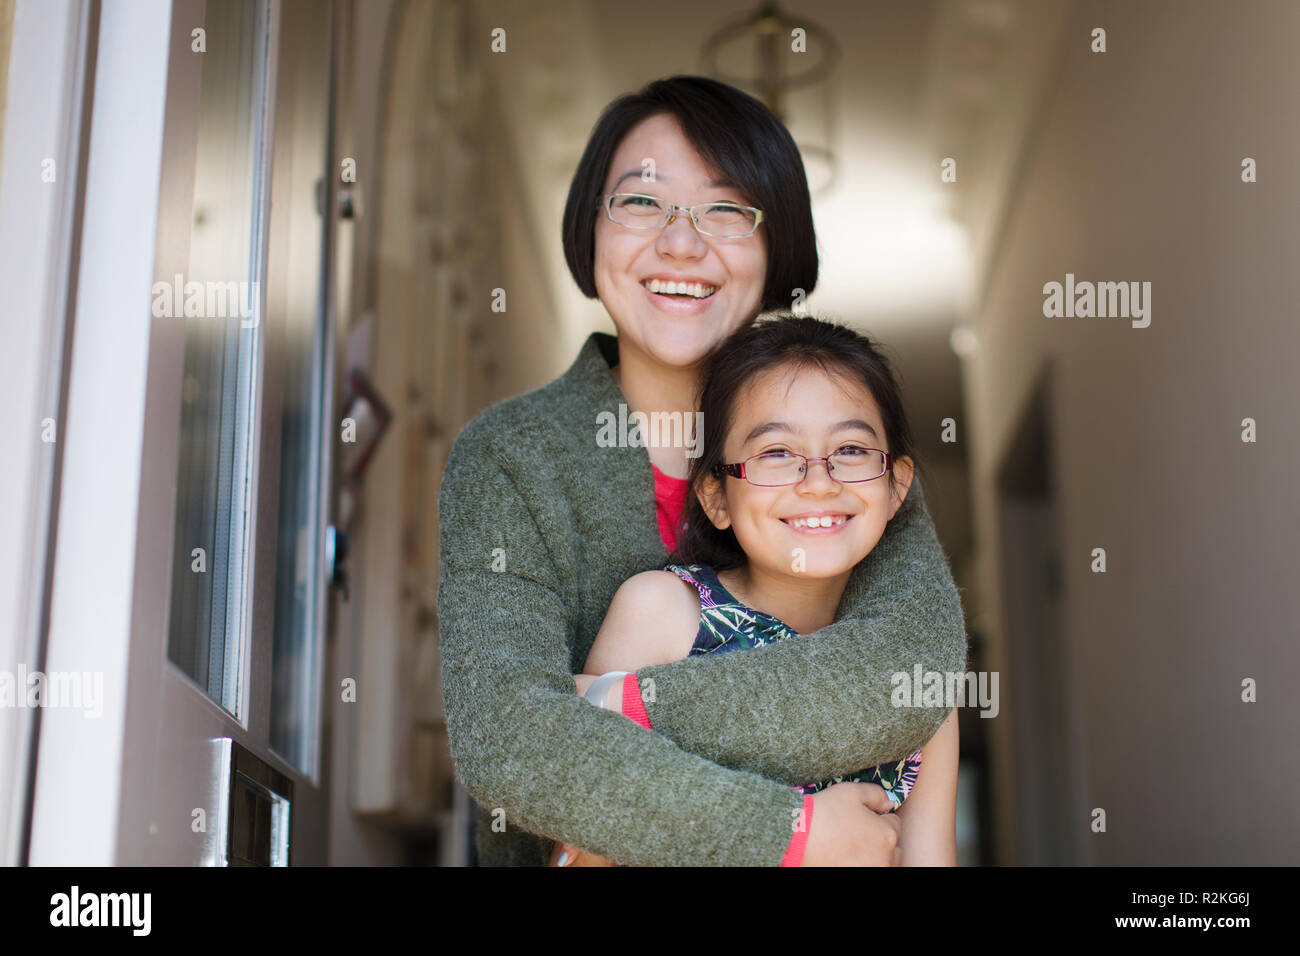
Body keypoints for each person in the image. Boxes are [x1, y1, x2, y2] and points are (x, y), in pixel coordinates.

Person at [437, 75, 967, 866]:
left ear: (778, 245)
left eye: (727, 209)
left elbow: (906, 673)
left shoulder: (852, 461)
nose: (682, 244)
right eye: (641, 203)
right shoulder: (508, 458)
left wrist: (605, 711)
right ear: (589, 232)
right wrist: (783, 833)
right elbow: (508, 745)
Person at [548, 316, 959, 867]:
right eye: (775, 453)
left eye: (853, 449)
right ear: (716, 496)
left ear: (896, 487)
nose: (819, 480)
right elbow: (580, 851)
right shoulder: (665, 614)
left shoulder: (911, 670)